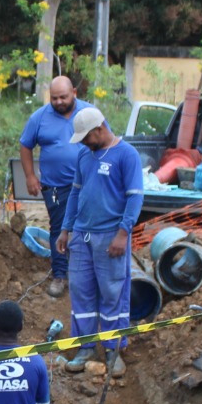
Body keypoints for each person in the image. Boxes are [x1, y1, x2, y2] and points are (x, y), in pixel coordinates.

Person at [57, 107, 143, 379]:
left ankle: (112, 349)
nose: (83, 143)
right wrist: (65, 229)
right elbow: (75, 194)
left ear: (99, 129)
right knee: (82, 291)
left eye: (86, 137)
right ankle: (85, 347)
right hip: (82, 235)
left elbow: (135, 197)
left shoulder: (126, 155)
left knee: (112, 292)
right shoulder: (85, 154)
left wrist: (123, 233)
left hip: (110, 237)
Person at [18, 76, 93, 297]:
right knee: (59, 229)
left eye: (63, 97)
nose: (59, 102)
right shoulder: (39, 118)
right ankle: (60, 275)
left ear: (75, 93)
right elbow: (25, 146)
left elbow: (106, 141)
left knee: (88, 228)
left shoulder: (88, 114)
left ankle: (87, 275)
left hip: (87, 184)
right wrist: (30, 176)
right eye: (54, 98)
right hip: (55, 187)